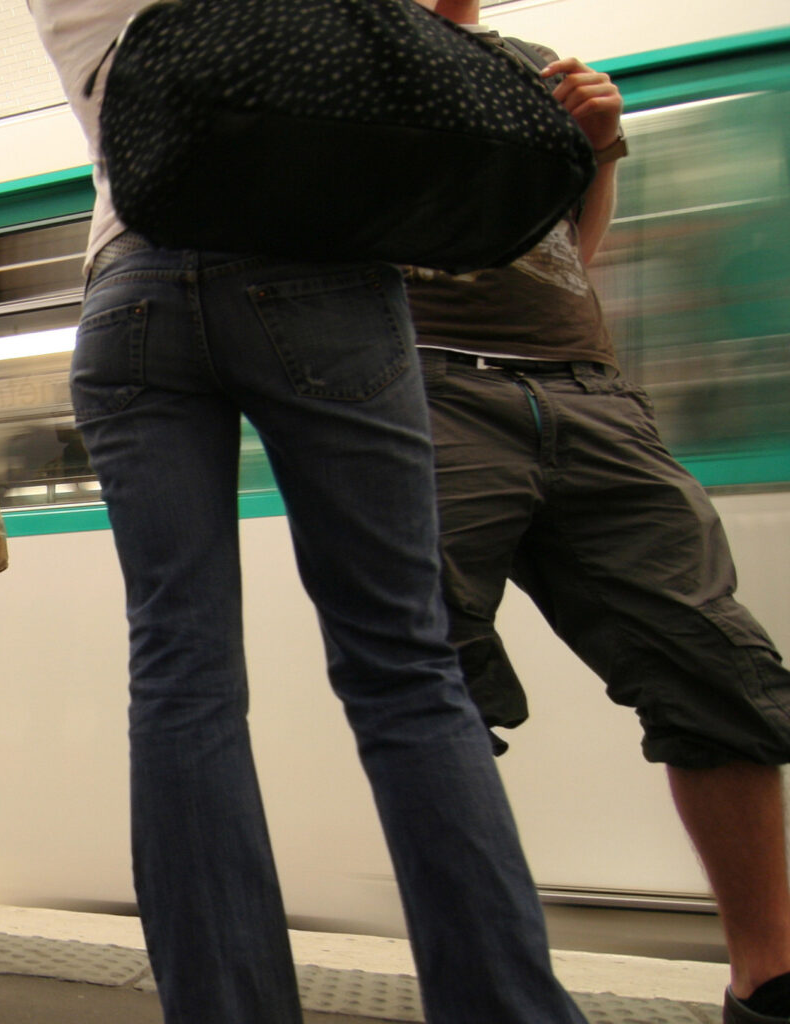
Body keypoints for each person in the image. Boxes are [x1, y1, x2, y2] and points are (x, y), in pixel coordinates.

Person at [27, 3, 588, 1021]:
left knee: (180, 673)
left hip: (130, 286)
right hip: (316, 274)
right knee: (405, 666)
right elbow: (431, 31)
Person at [408, 5, 790, 1022]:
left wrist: (597, 149)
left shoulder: (537, 65)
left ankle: (768, 981)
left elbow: (570, 250)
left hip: (587, 387)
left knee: (714, 660)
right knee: (431, 686)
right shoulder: (344, 44)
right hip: (427, 384)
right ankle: (490, 991)